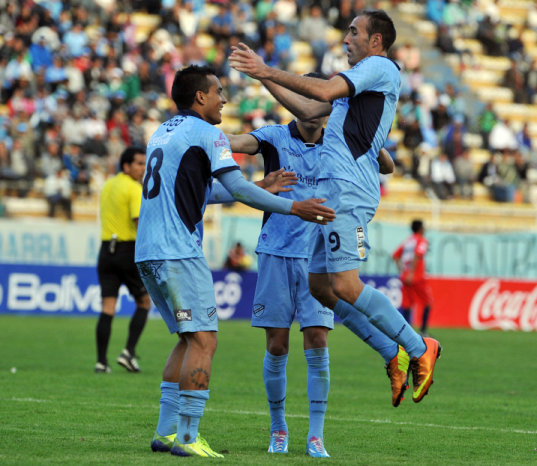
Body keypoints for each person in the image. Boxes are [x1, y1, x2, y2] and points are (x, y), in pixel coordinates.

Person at [229, 9, 441, 409]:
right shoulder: (355, 89)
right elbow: (311, 110)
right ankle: (390, 353)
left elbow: (322, 93)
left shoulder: (380, 66)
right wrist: (262, 77)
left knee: (343, 284)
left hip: (349, 191)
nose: (346, 38)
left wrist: (267, 68)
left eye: (354, 31)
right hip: (333, 193)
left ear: (376, 41)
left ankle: (419, 345)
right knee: (321, 287)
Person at [134, 65, 335, 459]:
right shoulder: (208, 133)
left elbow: (203, 193)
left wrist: (263, 187)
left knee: (188, 338)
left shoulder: (164, 131)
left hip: (148, 251)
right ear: (200, 98)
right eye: (218, 92)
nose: (224, 99)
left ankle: (165, 432)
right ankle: (189, 438)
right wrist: (294, 206)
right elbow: (237, 188)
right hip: (179, 249)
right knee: (206, 340)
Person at [227, 72, 399, 457]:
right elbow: (237, 142)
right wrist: (204, 136)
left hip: (318, 254)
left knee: (318, 340)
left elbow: (385, 165)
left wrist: (370, 139)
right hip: (276, 251)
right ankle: (278, 428)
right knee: (277, 345)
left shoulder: (340, 140)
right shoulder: (273, 136)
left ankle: (316, 435)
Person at [95, 146, 151, 374]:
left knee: (108, 307)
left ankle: (101, 362)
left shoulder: (108, 185)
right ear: (126, 166)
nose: (143, 168)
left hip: (105, 250)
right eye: (139, 163)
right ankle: (128, 352)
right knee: (144, 301)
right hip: (127, 250)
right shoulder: (134, 188)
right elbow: (139, 222)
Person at [392, 220, 433, 336]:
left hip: (405, 277)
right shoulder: (421, 240)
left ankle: (406, 332)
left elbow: (395, 255)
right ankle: (423, 331)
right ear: (420, 228)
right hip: (417, 277)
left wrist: (402, 271)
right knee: (428, 303)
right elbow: (417, 254)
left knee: (407, 304)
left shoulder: (408, 241)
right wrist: (411, 273)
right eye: (424, 227)